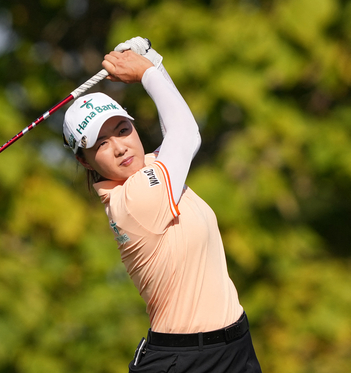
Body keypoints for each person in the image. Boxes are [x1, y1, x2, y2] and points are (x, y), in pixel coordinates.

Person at [62, 37, 262, 373]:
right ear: (86, 162)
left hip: (235, 348)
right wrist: (146, 73)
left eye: (123, 130)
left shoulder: (153, 169)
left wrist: (152, 61)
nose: (120, 148)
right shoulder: (134, 200)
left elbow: (175, 128)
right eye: (101, 143)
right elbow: (187, 134)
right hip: (183, 362)